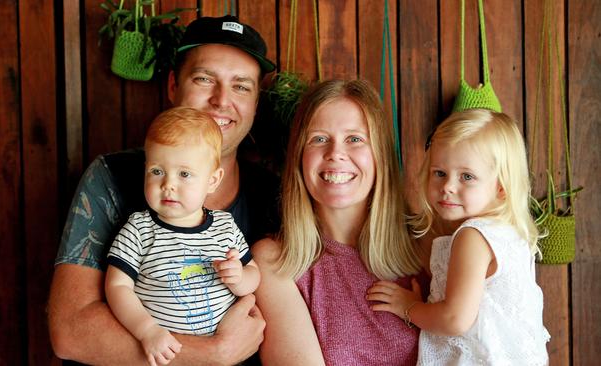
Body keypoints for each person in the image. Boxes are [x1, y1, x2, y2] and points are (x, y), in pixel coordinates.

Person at [48, 15, 278, 365]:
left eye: (241, 86)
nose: (221, 100)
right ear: (173, 85)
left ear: (256, 103)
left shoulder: (272, 194)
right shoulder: (113, 177)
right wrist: (212, 354)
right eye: (204, 79)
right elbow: (70, 332)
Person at [252, 79, 425, 365]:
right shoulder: (276, 261)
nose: (335, 153)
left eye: (355, 139)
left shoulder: (426, 245)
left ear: (379, 154)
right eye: (319, 139)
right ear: (299, 157)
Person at [368, 109, 550, 365]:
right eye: (439, 173)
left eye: (467, 177)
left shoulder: (473, 237)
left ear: (501, 187)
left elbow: (455, 319)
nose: (448, 186)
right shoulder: (510, 233)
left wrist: (408, 308)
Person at [105, 107, 260, 366]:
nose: (168, 184)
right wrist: (147, 331)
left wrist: (240, 278)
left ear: (212, 180)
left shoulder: (224, 226)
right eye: (157, 171)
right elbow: (117, 287)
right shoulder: (139, 229)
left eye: (184, 174)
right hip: (166, 354)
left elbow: (253, 275)